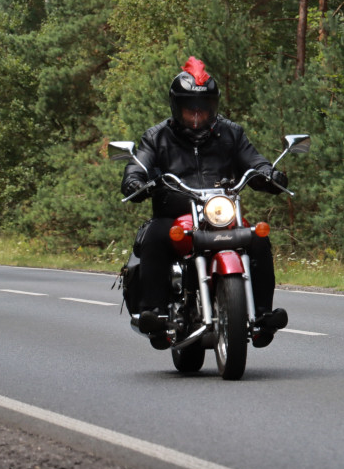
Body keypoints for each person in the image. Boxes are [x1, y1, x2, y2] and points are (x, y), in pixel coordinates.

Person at [121, 56, 289, 349]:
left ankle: (262, 315)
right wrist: (137, 180)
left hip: (221, 215)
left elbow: (254, 160)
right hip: (175, 214)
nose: (197, 115)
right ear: (177, 106)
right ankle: (155, 313)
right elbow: (140, 165)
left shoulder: (231, 133)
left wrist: (269, 174)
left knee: (258, 238)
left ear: (214, 106)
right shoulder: (157, 136)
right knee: (154, 236)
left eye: (204, 107)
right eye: (190, 108)